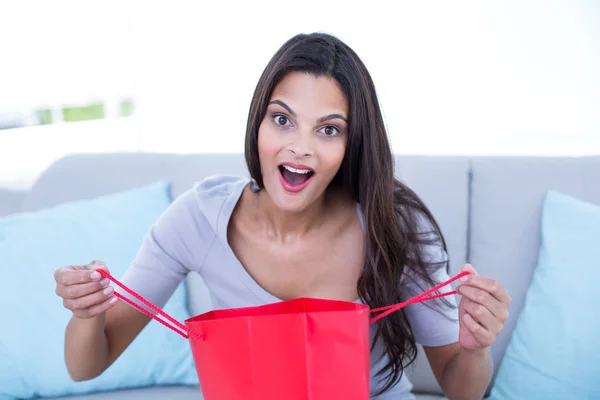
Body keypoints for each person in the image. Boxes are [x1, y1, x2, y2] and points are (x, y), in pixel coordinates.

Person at [53, 32, 511, 399]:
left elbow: (461, 389)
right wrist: (87, 313)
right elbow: (86, 365)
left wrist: (475, 348)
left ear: (352, 144)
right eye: (282, 119)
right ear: (257, 122)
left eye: (328, 129)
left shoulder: (397, 226)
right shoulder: (198, 218)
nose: (299, 147)